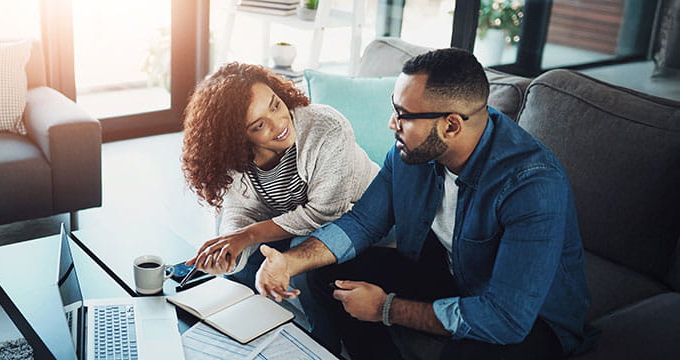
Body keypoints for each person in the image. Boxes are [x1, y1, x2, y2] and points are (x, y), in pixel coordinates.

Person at [254, 48, 598, 359]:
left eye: (403, 115)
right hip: (451, 276)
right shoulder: (412, 153)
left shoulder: (532, 185)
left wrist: (385, 309)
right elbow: (363, 223)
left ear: (450, 125)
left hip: (529, 316)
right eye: (394, 108)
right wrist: (288, 262)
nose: (392, 124)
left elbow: (507, 318)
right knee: (327, 274)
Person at [180, 62, 379, 351]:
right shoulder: (236, 156)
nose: (279, 124)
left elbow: (326, 213)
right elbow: (241, 211)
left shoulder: (326, 129)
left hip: (357, 221)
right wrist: (230, 248)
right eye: (259, 125)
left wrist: (247, 236)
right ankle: (249, 343)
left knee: (300, 258)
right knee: (242, 268)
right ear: (238, 138)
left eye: (275, 105)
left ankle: (324, 347)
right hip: (293, 219)